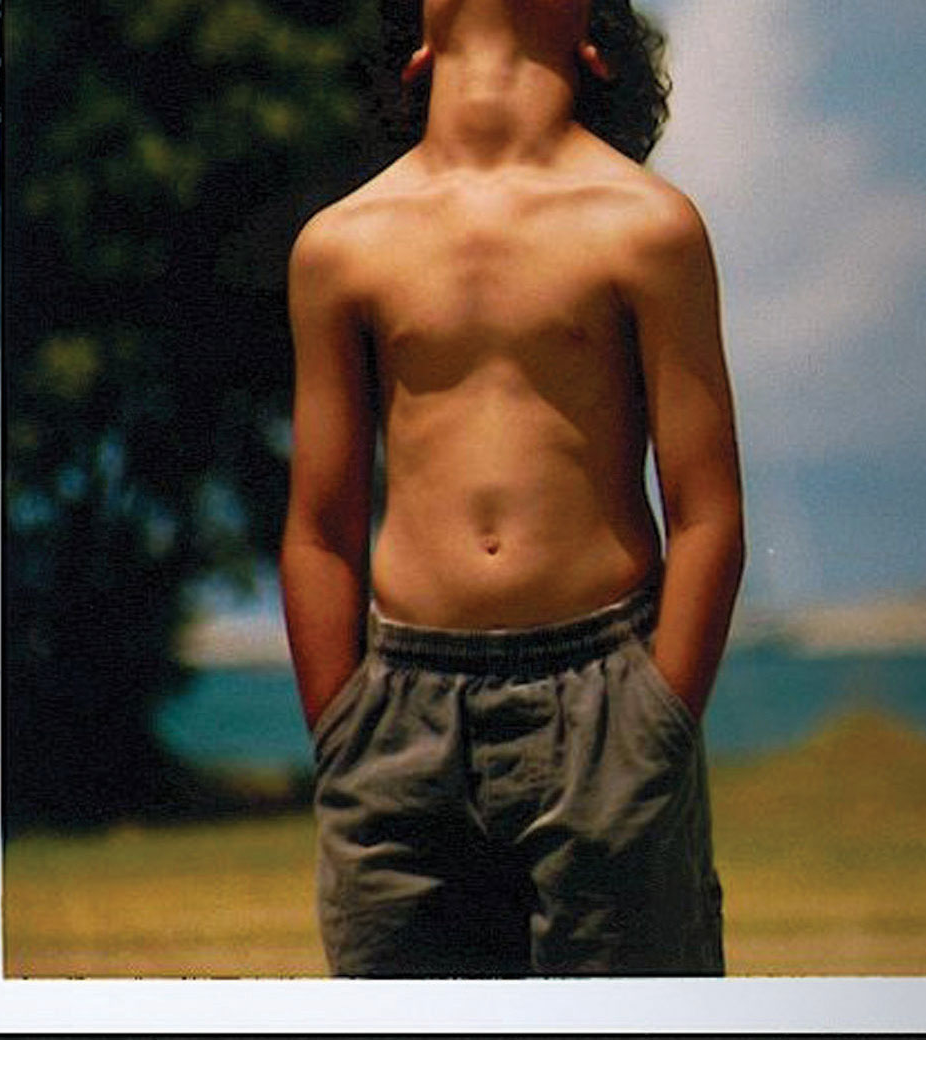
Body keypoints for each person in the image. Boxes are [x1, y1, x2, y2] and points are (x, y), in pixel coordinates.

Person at [280, 0, 744, 976]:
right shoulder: (341, 245)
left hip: (605, 692)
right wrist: (344, 730)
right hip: (399, 713)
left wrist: (656, 722)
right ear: (415, 45)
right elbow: (320, 528)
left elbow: (706, 512)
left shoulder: (645, 225)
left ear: (591, 43)